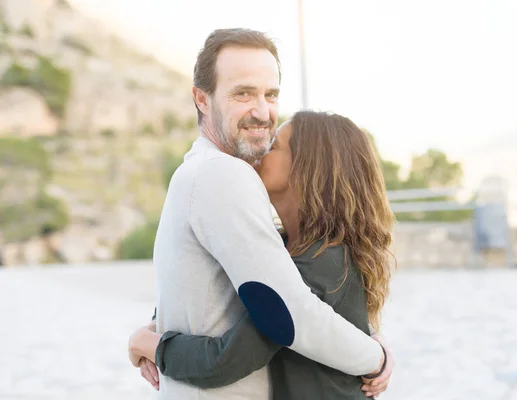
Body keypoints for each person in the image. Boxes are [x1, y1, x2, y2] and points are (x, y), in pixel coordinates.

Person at [128, 28, 393, 399]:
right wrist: (375, 356)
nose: (262, 112)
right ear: (201, 100)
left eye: (270, 94)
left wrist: (154, 333)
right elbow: (287, 314)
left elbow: (231, 286)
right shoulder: (223, 173)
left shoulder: (198, 171)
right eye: (242, 93)